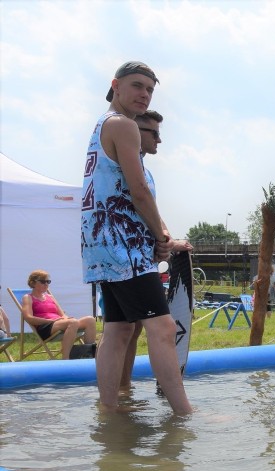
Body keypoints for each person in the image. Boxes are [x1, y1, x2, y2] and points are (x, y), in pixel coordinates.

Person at [81, 61, 191, 414]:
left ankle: (109, 410)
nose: (144, 94)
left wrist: (160, 234)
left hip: (101, 245)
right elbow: (139, 191)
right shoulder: (123, 125)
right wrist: (164, 237)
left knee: (118, 329)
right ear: (116, 85)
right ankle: (184, 415)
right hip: (123, 246)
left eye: (150, 89)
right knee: (160, 328)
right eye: (137, 86)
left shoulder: (102, 125)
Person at [119, 110, 193, 391]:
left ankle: (122, 394)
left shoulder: (143, 169)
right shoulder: (128, 165)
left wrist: (165, 239)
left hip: (135, 257)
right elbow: (139, 200)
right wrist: (166, 242)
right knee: (161, 328)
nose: (159, 140)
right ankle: (180, 409)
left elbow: (151, 208)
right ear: (135, 133)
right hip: (130, 259)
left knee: (127, 328)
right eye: (154, 133)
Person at [21, 270, 97, 359]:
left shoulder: (50, 297)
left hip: (59, 323)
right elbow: (28, 317)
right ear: (33, 283)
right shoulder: (28, 297)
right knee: (73, 322)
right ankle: (65, 358)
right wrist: (49, 321)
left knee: (90, 320)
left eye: (48, 281)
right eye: (42, 281)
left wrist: (66, 319)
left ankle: (89, 354)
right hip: (45, 326)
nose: (46, 284)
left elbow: (62, 314)